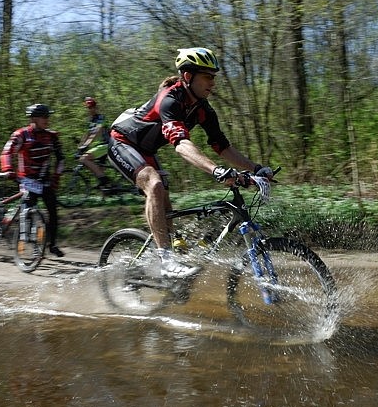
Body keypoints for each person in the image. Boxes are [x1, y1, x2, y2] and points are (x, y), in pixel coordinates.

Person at [108, 47, 272, 278]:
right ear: (188, 76)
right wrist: (216, 171)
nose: (213, 83)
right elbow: (181, 144)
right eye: (207, 76)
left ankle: (174, 266)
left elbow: (222, 147)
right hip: (122, 141)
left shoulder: (203, 109)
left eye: (214, 77)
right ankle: (166, 262)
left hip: (146, 149)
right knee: (154, 185)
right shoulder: (170, 100)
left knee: (166, 203)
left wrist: (256, 168)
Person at [0, 103, 65, 258]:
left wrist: (56, 177)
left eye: (48, 116)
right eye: (44, 117)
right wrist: (8, 169)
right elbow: (6, 152)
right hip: (27, 179)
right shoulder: (21, 135)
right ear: (34, 118)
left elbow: (61, 159)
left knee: (53, 214)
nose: (47, 119)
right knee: (28, 210)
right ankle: (31, 243)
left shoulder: (51, 136)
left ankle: (52, 245)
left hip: (44, 180)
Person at [77, 96, 111, 189]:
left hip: (106, 145)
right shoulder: (90, 121)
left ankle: (105, 180)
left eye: (92, 107)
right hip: (100, 147)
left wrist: (85, 146)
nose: (90, 109)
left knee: (84, 159)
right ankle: (105, 196)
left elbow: (96, 133)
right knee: (99, 172)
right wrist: (79, 147)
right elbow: (86, 135)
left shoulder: (101, 118)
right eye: (88, 107)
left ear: (96, 107)